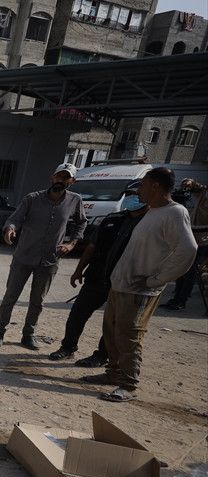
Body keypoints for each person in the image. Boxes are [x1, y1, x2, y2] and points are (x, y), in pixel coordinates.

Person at [83, 167, 196, 402]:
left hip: (139, 290)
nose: (139, 191)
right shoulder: (152, 212)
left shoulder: (175, 213)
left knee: (129, 336)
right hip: (121, 285)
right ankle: (113, 374)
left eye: (142, 185)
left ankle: (128, 384)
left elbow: (188, 250)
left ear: (156, 186)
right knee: (112, 333)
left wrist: (157, 279)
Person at [0, 163, 87, 349]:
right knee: (10, 296)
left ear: (72, 181)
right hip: (24, 256)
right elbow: (14, 219)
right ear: (52, 177)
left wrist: (71, 243)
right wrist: (10, 229)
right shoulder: (32, 199)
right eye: (59, 176)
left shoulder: (75, 201)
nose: (61, 180)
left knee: (37, 301)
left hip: (49, 260)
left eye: (66, 177)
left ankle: (28, 334)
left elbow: (81, 222)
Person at [49, 183, 147, 364]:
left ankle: (102, 355)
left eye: (135, 194)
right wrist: (79, 270)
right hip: (97, 277)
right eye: (128, 194)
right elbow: (92, 246)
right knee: (78, 314)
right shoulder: (113, 219)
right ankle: (67, 348)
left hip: (124, 282)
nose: (131, 198)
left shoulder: (150, 223)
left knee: (113, 321)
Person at [161, 179, 208, 311]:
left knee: (190, 271)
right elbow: (198, 188)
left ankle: (181, 300)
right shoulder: (203, 193)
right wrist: (190, 183)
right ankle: (176, 297)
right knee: (181, 269)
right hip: (191, 236)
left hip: (203, 240)